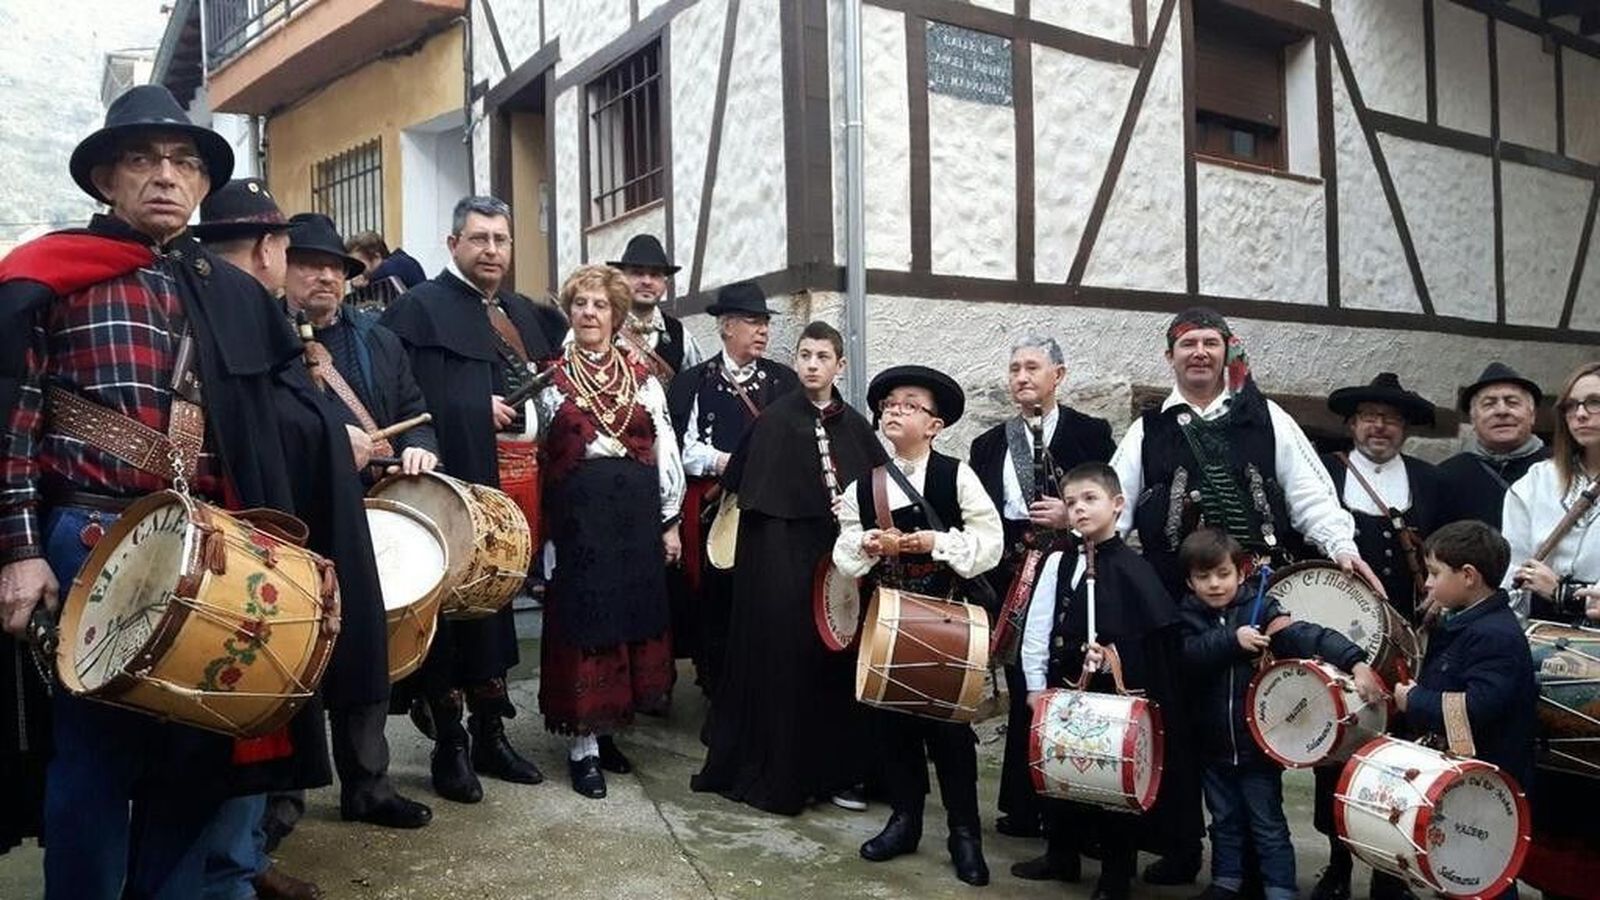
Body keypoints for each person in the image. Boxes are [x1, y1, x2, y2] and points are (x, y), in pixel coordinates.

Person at [0, 84, 368, 900]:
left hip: (213, 550)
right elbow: (12, 426)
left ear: (202, 184)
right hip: (88, 540)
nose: (165, 175)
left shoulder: (230, 294)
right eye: (142, 159)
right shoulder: (46, 277)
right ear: (105, 179)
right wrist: (20, 552)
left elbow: (274, 419)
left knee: (197, 756)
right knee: (93, 762)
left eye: (183, 162)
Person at [1110, 307, 1379, 887]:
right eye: (1188, 344)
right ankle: (1182, 847)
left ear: (1227, 350)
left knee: (1251, 722)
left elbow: (1310, 492)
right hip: (1173, 600)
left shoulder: (1266, 417)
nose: (1199, 353)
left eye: (1210, 342)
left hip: (1252, 595)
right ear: (1170, 356)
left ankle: (1258, 866)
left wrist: (1341, 546)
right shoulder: (1149, 429)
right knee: (1176, 724)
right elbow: (1117, 503)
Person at [380, 196, 565, 803]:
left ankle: (491, 734)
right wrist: (468, 404)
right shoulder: (417, 309)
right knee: (448, 617)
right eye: (479, 238)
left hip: (513, 492)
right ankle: (450, 745)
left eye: (500, 239)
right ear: (453, 243)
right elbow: (399, 399)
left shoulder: (516, 310)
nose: (491, 250)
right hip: (452, 491)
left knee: (495, 611)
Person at [691, 321, 885, 815]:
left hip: (838, 562)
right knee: (787, 661)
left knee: (838, 662)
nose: (812, 365)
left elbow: (875, 488)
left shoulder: (855, 425)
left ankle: (839, 773)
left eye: (823, 357)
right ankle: (788, 774)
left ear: (840, 365)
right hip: (782, 562)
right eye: (805, 355)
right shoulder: (773, 421)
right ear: (796, 360)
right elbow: (749, 496)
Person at [833, 365, 1003, 887]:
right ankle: (904, 821)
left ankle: (964, 834)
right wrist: (867, 544)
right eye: (889, 405)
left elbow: (990, 542)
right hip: (889, 619)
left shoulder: (957, 476)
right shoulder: (866, 485)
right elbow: (844, 546)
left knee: (950, 731)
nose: (895, 411)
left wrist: (937, 543)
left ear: (934, 425)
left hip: (947, 619)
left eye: (909, 405)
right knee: (892, 725)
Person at [532, 264, 684, 798]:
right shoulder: (548, 380)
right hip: (580, 522)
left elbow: (665, 448)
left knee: (625, 623)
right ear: (570, 312)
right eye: (580, 304)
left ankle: (609, 730)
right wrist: (545, 536)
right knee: (586, 625)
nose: (589, 313)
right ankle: (583, 747)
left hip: (634, 519)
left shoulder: (643, 380)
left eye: (599, 305)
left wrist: (669, 521)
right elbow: (535, 457)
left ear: (616, 315)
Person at [1175, 528, 1385, 900]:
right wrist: (1232, 640)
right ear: (1190, 583)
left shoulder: (1264, 610)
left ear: (1241, 572)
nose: (1214, 584)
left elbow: (1309, 635)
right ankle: (1226, 881)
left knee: (1267, 824)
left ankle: (1280, 888)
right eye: (1203, 577)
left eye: (1223, 574)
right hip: (1212, 746)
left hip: (1259, 747)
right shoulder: (1187, 617)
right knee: (1223, 821)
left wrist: (1356, 662)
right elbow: (1188, 656)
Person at [968, 334, 1114, 840]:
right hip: (1012, 575)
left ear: (1059, 375)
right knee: (1022, 682)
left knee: (1069, 678)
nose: (1022, 377)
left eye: (1032, 367)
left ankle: (1074, 808)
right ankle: (1024, 804)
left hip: (1073, 571)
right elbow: (980, 516)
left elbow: (1112, 504)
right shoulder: (988, 445)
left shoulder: (1090, 434)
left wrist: (1069, 518)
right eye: (1014, 369)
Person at [1012, 463, 1181, 900]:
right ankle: (1061, 855)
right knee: (1061, 774)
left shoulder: (1135, 570)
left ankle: (1115, 877)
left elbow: (1154, 644)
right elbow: (1038, 628)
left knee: (1111, 788)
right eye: (1071, 502)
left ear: (1117, 504)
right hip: (1065, 688)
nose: (1080, 509)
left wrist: (1112, 658)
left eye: (1090, 499)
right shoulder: (1058, 562)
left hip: (1115, 700)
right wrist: (1035, 686)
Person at [1314, 372, 1442, 900]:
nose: (1380, 426)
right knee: (1337, 747)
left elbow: (1450, 548)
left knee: (1401, 751)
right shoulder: (1325, 474)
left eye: (1391, 419)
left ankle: (1390, 870)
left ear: (1405, 428)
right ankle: (1337, 864)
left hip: (1413, 641)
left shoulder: (1430, 481)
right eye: (1370, 416)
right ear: (1352, 424)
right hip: (1342, 639)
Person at [666, 282, 798, 700]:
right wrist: (727, 462)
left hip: (768, 509)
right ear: (726, 327)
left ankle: (762, 686)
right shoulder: (694, 382)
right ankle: (717, 685)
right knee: (718, 597)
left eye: (765, 323)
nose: (763, 331)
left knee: (766, 595)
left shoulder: (784, 382)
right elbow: (680, 451)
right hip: (716, 510)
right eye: (753, 322)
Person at [1497, 364, 1600, 900]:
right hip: (1543, 653)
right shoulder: (1536, 483)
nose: (1581, 413)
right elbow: (1510, 575)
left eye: (1595, 403)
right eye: (1573, 405)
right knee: (1551, 806)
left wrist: (1564, 590)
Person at [1394, 521, 1537, 900]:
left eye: (1435, 573)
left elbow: (1477, 706)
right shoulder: (1463, 621)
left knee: (1479, 875)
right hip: (1464, 779)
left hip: (1487, 786)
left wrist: (1415, 701)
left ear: (1469, 576)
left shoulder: (1495, 635)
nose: (1427, 583)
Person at [1437, 362, 1549, 530]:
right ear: (1473, 419)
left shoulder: (1561, 468)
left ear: (1532, 415)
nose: (1501, 411)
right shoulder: (1446, 476)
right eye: (1489, 404)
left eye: (1512, 402)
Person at [607, 234, 704, 381]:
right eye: (638, 273)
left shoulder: (680, 334)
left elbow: (696, 386)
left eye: (655, 275)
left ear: (665, 284)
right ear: (621, 279)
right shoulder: (602, 326)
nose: (647, 281)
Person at [346, 230, 427, 289]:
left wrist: (367, 283)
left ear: (376, 257)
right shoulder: (402, 262)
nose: (356, 268)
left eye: (358, 262)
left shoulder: (398, 265)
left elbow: (387, 271)